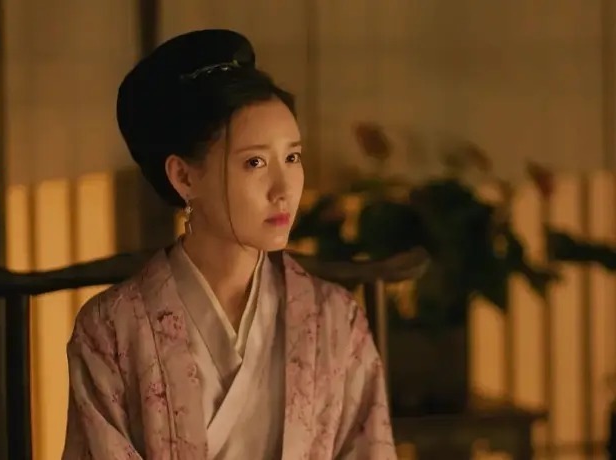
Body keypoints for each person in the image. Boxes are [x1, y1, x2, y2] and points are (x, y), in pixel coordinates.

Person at [62, 29, 396, 460]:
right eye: (254, 162)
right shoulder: (111, 331)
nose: (284, 189)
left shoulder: (335, 321)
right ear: (184, 177)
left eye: (292, 157)